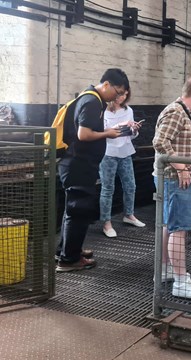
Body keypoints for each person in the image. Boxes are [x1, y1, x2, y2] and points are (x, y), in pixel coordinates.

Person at [55, 68, 129, 272]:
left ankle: (67, 250)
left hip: (78, 165)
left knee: (73, 210)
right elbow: (84, 134)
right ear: (106, 85)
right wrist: (108, 134)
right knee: (78, 211)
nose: (118, 96)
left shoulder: (92, 99)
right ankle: (69, 260)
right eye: (118, 91)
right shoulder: (92, 101)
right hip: (78, 165)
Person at [153, 77, 191, 299]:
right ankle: (181, 281)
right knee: (180, 228)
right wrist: (182, 168)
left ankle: (166, 269)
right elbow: (160, 141)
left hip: (182, 177)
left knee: (169, 224)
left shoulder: (190, 113)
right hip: (175, 179)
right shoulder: (175, 112)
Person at [99, 88, 145, 238]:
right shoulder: (103, 111)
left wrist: (134, 130)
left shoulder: (128, 110)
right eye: (121, 94)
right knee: (107, 189)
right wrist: (121, 125)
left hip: (125, 152)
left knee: (130, 185)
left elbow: (130, 136)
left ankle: (129, 215)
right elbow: (103, 133)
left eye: (126, 94)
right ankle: (106, 223)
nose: (123, 97)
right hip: (108, 153)